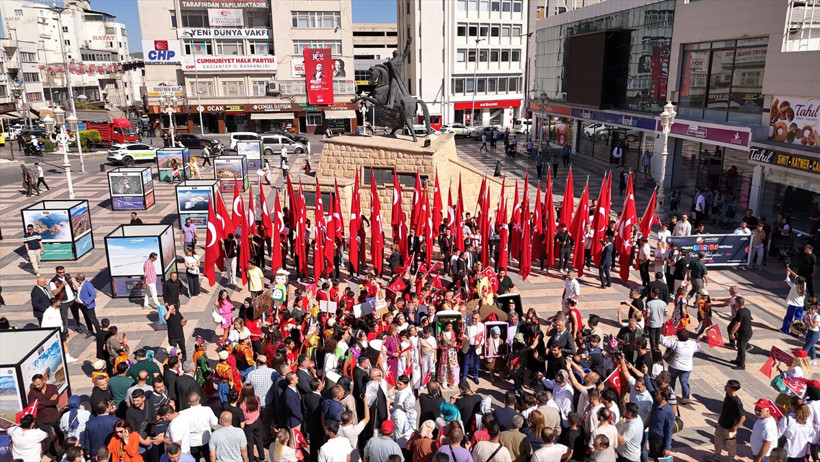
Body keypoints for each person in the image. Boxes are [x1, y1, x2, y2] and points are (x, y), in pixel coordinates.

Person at [705, 380, 744, 462]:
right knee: (717, 441)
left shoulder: (737, 402)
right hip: (721, 424)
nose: (725, 386)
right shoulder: (727, 395)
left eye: (727, 385)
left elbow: (743, 417)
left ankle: (731, 459)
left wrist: (735, 428)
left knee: (731, 445)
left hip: (730, 427)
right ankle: (716, 457)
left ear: (733, 389)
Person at [661, 329, 700, 405]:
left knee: (671, 381)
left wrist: (665, 335)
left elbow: (664, 343)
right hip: (687, 367)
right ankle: (686, 397)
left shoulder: (674, 342)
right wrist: (698, 340)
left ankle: (670, 395)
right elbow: (698, 348)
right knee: (684, 382)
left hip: (674, 366)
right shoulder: (692, 343)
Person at [647, 388, 675, 461]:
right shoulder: (656, 403)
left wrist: (667, 447)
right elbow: (650, 387)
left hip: (659, 440)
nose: (655, 394)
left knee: (658, 458)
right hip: (651, 436)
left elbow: (669, 431)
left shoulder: (669, 413)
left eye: (658, 394)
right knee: (652, 456)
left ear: (663, 398)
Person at [728, 296, 752, 370]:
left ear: (738, 303)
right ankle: (738, 360)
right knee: (739, 346)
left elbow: (737, 324)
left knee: (742, 349)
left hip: (744, 334)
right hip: (746, 332)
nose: (734, 304)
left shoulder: (740, 312)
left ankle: (742, 365)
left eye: (735, 303)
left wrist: (732, 332)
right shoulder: (747, 310)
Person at [782, 268, 806, 334]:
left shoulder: (794, 286)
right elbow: (797, 276)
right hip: (801, 305)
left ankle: (785, 329)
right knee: (798, 319)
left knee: (789, 317)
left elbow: (788, 280)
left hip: (793, 305)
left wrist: (788, 274)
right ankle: (795, 332)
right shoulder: (804, 285)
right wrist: (790, 270)